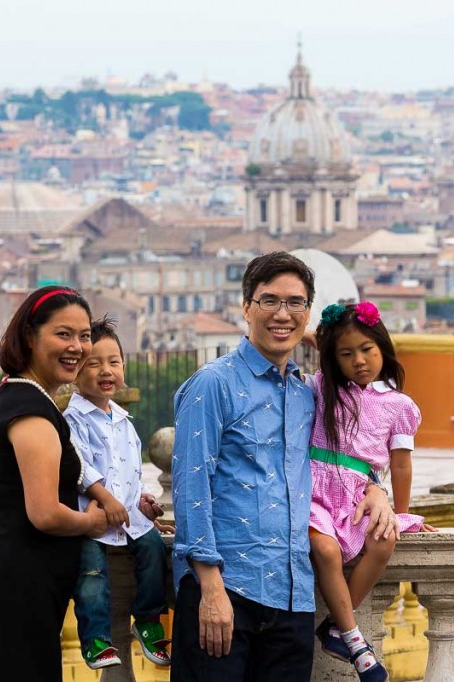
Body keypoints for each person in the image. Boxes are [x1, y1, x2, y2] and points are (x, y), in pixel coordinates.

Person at [170, 252, 398, 682]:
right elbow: (190, 488)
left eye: (295, 303)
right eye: (269, 301)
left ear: (308, 312)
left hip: (292, 599)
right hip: (226, 592)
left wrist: (375, 489)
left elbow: (345, 454)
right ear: (246, 307)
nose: (282, 313)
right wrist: (210, 587)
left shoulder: (305, 393)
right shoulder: (213, 384)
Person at [0, 286, 109, 682]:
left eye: (84, 335)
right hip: (14, 602)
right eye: (63, 334)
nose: (77, 347)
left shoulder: (28, 400)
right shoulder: (31, 413)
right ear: (30, 335)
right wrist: (90, 523)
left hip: (24, 598)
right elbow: (43, 513)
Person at [305, 301, 432, 682]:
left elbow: (401, 463)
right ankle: (356, 642)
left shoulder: (399, 406)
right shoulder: (323, 388)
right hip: (313, 488)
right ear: (334, 359)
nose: (359, 360)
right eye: (347, 354)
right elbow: (309, 340)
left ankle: (334, 627)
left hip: (359, 493)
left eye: (367, 350)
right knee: (324, 549)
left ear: (383, 348)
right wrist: (323, 341)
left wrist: (402, 513)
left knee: (384, 540)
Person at [63, 315, 172, 670]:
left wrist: (143, 499)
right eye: (93, 364)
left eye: (113, 362)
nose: (105, 371)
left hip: (129, 520)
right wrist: (107, 499)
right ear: (76, 371)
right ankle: (95, 638)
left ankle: (148, 620)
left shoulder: (124, 422)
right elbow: (78, 467)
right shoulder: (72, 420)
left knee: (156, 553)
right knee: (91, 576)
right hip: (91, 519)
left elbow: (131, 472)